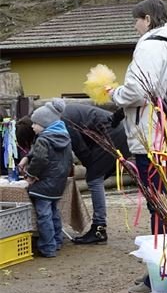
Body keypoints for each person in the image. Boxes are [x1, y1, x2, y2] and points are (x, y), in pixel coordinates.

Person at [109, 0, 167, 293]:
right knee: (164, 206)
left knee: (158, 207)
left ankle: (160, 276)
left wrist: (115, 94)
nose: (134, 26)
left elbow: (138, 90)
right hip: (161, 136)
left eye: (136, 20)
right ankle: (163, 271)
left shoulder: (150, 46)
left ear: (147, 19)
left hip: (150, 138)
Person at [16, 102, 130, 245]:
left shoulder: (63, 121)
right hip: (110, 133)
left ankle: (99, 228)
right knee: (95, 178)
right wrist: (28, 157)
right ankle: (98, 227)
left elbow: (80, 148)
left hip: (112, 134)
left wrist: (90, 168)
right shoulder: (51, 116)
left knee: (94, 180)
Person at [17, 101, 73, 258]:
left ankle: (47, 247)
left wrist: (31, 176)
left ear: (45, 123)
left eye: (36, 123)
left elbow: (40, 159)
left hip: (44, 183)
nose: (33, 126)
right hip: (58, 183)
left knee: (44, 215)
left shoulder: (43, 139)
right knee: (54, 212)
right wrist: (27, 158)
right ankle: (57, 241)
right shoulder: (64, 136)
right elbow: (68, 159)